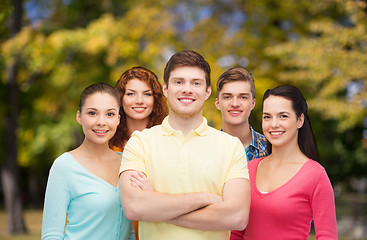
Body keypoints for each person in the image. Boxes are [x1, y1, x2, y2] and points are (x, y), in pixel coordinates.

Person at [119, 50, 251, 240]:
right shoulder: (140, 142)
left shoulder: (231, 146)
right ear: (165, 89)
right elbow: (134, 207)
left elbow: (237, 216)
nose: (187, 89)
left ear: (207, 92)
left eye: (196, 83)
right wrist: (204, 199)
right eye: (179, 82)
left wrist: (158, 208)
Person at [231, 85, 338, 240]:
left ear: (300, 120)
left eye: (283, 116)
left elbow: (327, 236)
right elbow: (235, 233)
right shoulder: (248, 169)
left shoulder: (315, 176)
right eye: (267, 117)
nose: (274, 124)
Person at [41, 83, 135, 240]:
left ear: (118, 119)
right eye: (92, 113)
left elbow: (129, 231)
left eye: (110, 114)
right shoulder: (64, 166)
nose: (101, 122)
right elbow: (51, 235)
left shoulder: (127, 163)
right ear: (79, 116)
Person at [109, 66, 168, 240]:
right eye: (131, 94)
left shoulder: (167, 140)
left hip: (157, 232)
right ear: (120, 98)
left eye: (147, 94)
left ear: (155, 99)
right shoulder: (108, 144)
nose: (139, 100)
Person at [215, 67, 267, 161]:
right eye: (227, 97)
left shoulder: (270, 149)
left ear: (252, 104)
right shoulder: (206, 148)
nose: (235, 104)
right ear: (217, 103)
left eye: (243, 97)